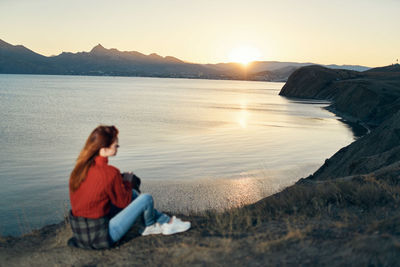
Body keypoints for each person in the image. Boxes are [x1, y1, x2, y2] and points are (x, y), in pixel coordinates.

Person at [68, 125, 190, 249]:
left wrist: (120, 183)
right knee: (145, 198)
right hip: (102, 237)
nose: (118, 147)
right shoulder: (110, 172)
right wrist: (127, 182)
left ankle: (165, 221)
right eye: (115, 145)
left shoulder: (78, 170)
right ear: (103, 149)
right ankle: (151, 226)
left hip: (80, 234)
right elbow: (123, 202)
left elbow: (95, 194)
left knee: (133, 195)